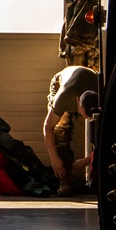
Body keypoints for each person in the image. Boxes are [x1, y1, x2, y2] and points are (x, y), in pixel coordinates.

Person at [43, 66, 99, 197]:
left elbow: (108, 137)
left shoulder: (102, 96)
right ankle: (65, 182)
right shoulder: (64, 98)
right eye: (82, 114)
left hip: (89, 78)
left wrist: (87, 161)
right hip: (63, 81)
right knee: (60, 130)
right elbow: (47, 127)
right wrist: (54, 159)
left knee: (99, 131)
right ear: (77, 101)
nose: (84, 118)